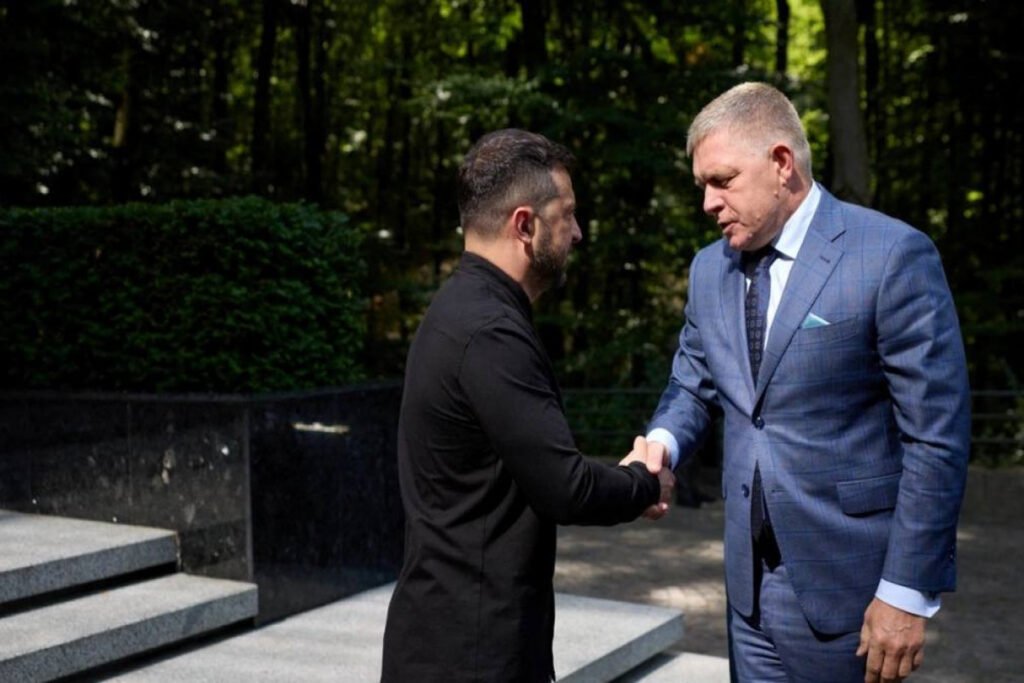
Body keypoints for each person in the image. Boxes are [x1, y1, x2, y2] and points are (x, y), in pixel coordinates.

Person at [645, 82, 970, 683]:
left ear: (781, 163)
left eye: (722, 181)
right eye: (702, 186)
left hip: (852, 592)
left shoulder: (891, 255)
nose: (708, 203)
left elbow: (936, 437)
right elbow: (691, 385)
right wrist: (660, 444)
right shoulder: (708, 269)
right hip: (746, 592)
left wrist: (905, 591)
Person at [381, 128, 675, 683]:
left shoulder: (459, 309)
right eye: (568, 215)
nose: (579, 232)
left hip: (450, 636)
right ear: (524, 225)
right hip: (473, 654)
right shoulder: (491, 331)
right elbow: (566, 486)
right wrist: (643, 481)